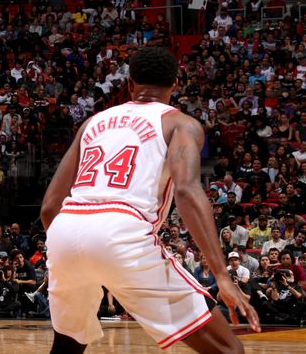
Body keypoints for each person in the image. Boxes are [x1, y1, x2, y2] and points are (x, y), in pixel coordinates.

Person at [41, 46, 259, 354]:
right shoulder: (180, 123)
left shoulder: (92, 124)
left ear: (129, 84)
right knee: (227, 350)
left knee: (68, 345)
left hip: (65, 230)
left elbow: (50, 206)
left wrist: (76, 255)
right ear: (175, 84)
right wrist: (222, 275)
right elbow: (186, 191)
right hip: (121, 231)